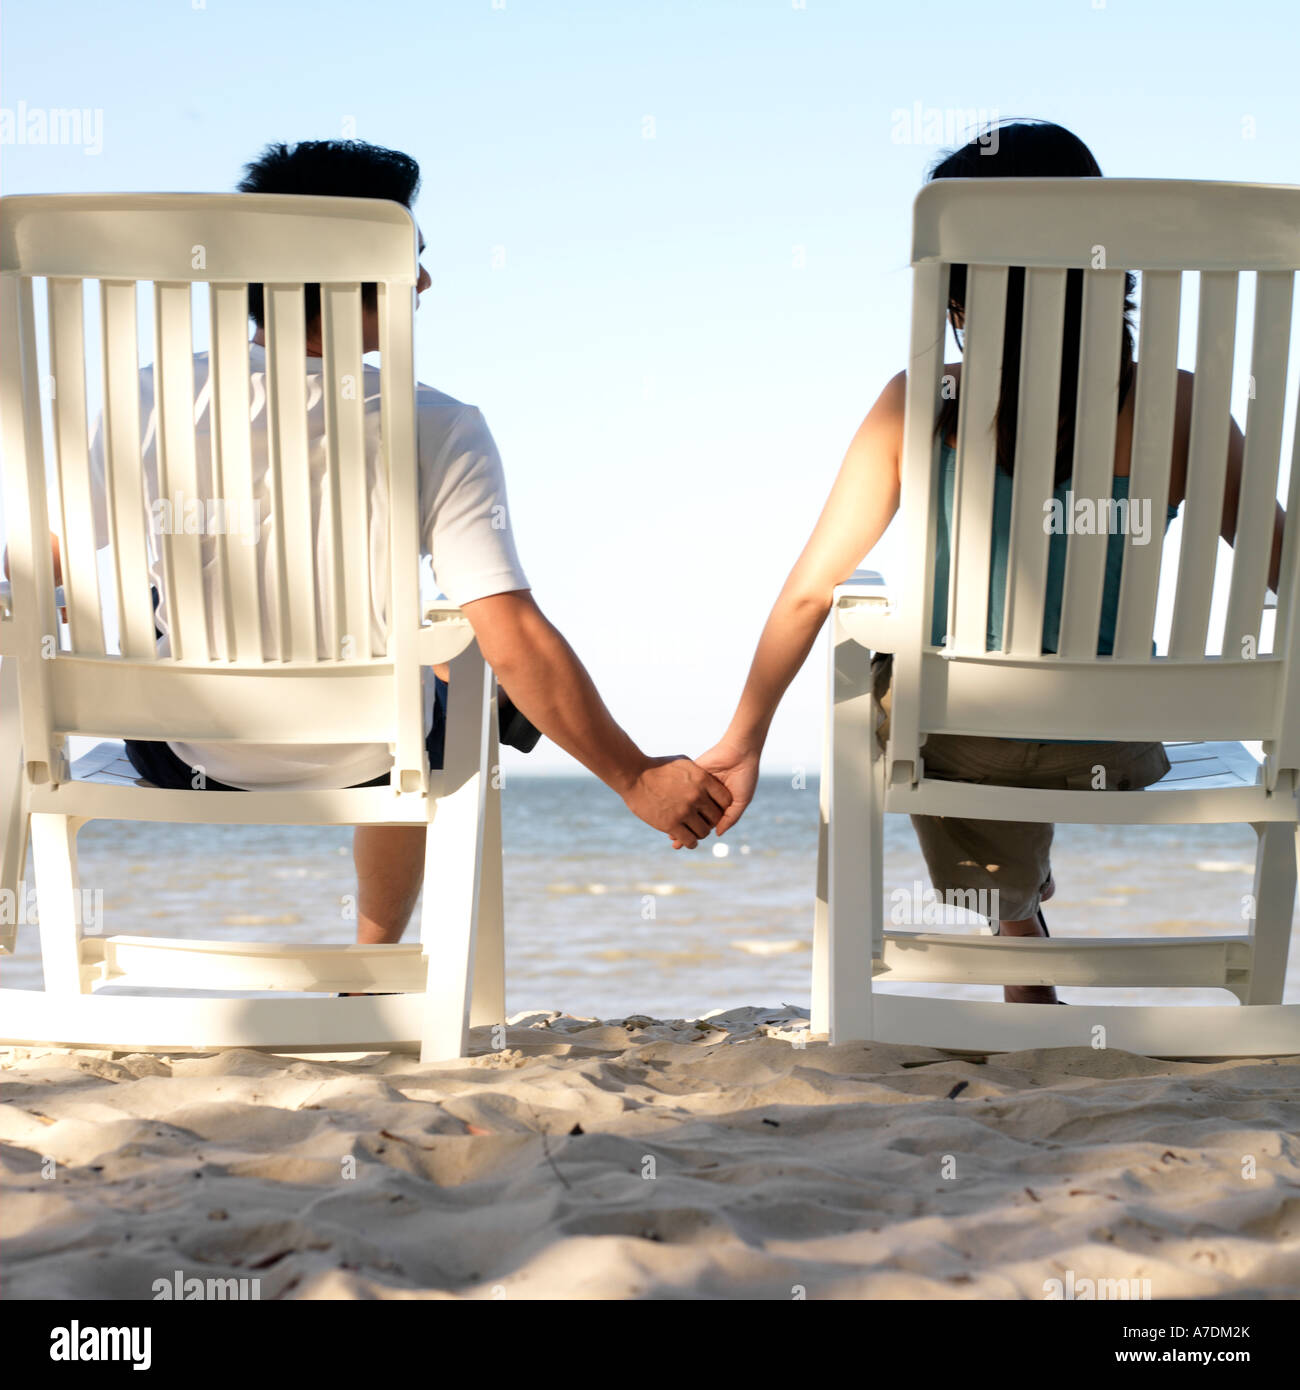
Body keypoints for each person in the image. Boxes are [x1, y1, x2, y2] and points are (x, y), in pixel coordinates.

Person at [80, 139, 731, 946]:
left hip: (184, 750)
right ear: (355, 262)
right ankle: (373, 959)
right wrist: (635, 779)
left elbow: (44, 563)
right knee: (456, 669)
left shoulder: (146, 395)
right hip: (374, 749)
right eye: (411, 255)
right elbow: (512, 630)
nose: (423, 281)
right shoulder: (442, 424)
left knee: (176, 606)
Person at [695, 120, 1286, 1003]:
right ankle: (1048, 931)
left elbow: (813, 589)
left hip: (959, 740)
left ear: (959, 300)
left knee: (907, 675)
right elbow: (1286, 569)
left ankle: (1013, 918)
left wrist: (743, 740)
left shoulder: (918, 404)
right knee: (1014, 685)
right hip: (1122, 742)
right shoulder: (1182, 406)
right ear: (1115, 274)